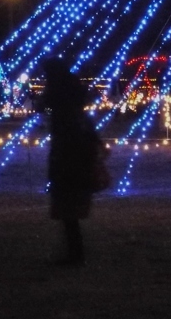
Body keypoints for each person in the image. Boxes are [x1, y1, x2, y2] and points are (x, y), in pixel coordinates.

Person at [39, 57, 101, 266]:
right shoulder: (73, 91)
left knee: (67, 204)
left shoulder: (59, 94)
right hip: (75, 151)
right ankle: (74, 251)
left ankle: (75, 254)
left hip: (67, 153)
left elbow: (44, 106)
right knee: (70, 206)